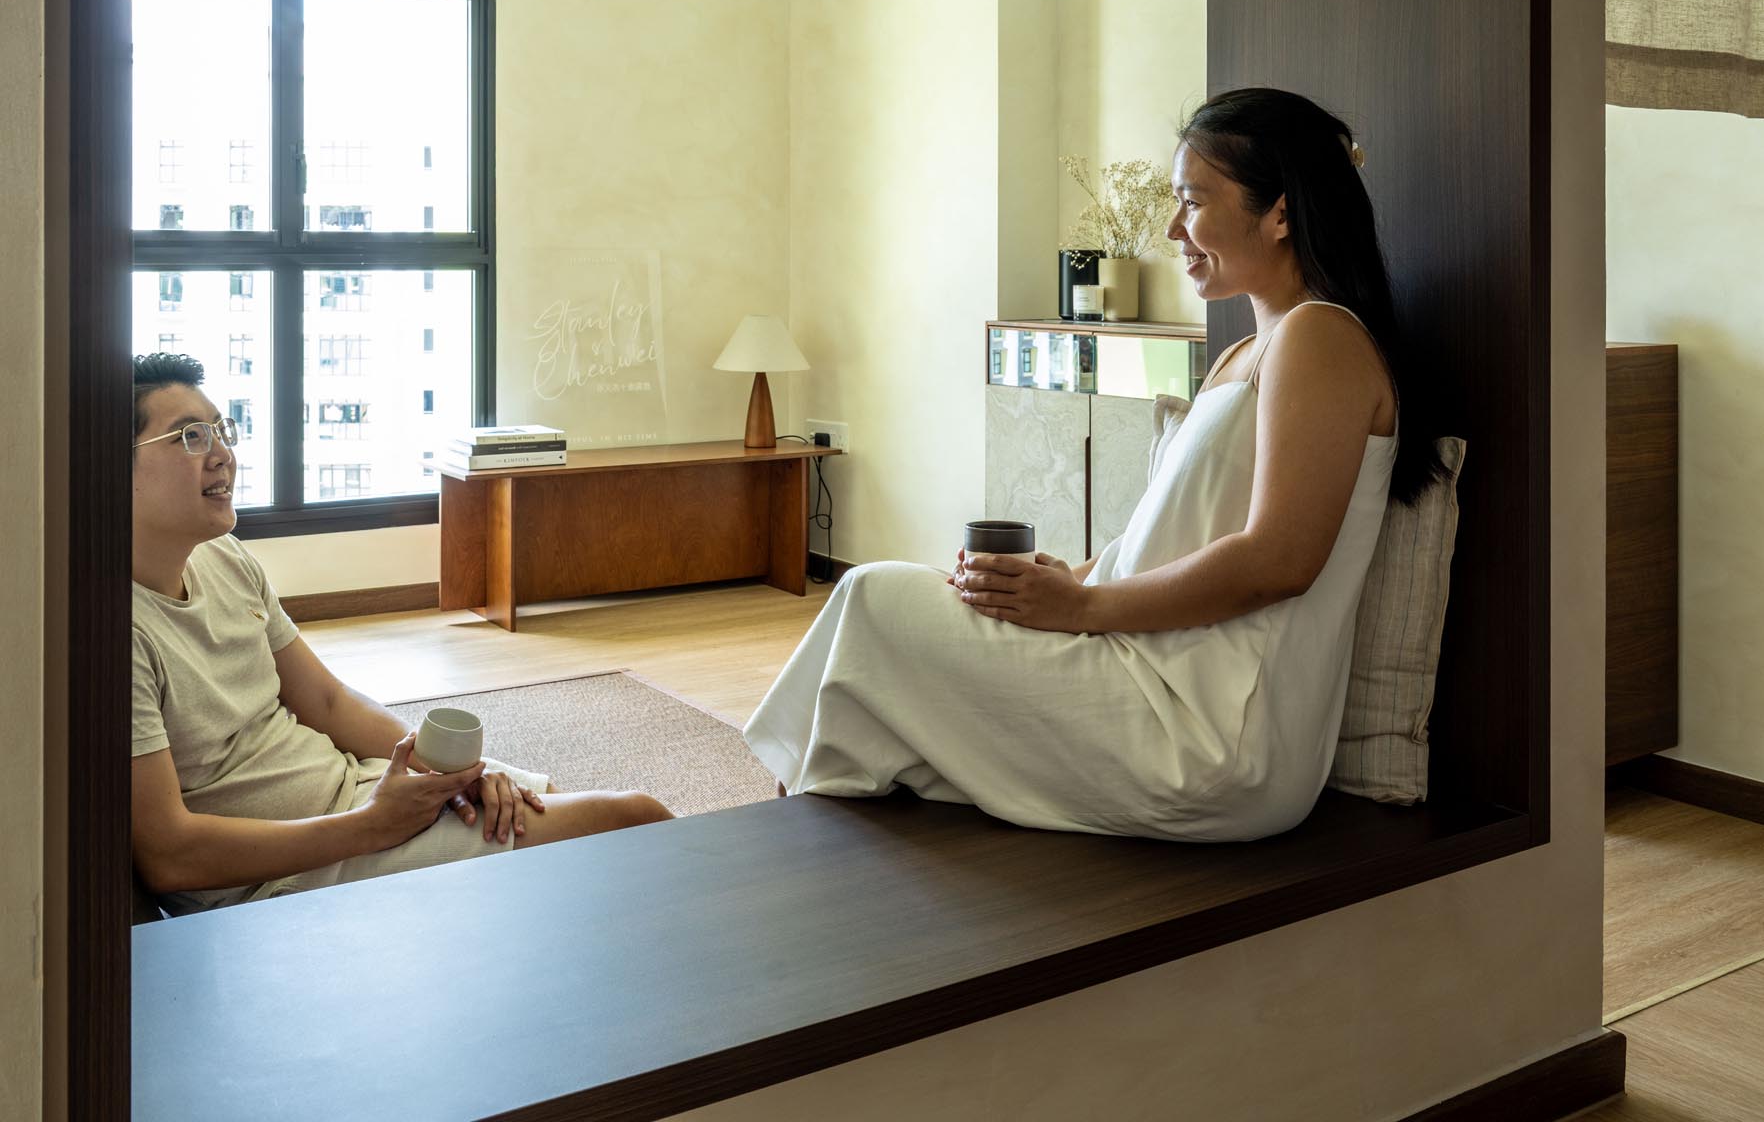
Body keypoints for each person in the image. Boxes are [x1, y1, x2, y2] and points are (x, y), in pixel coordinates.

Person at [743, 87, 1442, 841]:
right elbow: (1173, 537)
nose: (1172, 229)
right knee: (892, 628)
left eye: (1192, 201)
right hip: (1150, 674)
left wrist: (1080, 609)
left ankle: (788, 837)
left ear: (1279, 213)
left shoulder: (1319, 338)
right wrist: (1064, 580)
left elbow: (1280, 560)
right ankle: (804, 828)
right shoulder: (1246, 352)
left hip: (1211, 736)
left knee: (873, 600)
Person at [129, 353, 672, 916]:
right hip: (287, 873)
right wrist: (371, 826)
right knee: (633, 821)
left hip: (357, 796)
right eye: (190, 437)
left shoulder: (224, 556)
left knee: (551, 805)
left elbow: (328, 700)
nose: (222, 454)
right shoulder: (117, 637)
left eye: (221, 430)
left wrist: (444, 772)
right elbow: (171, 857)